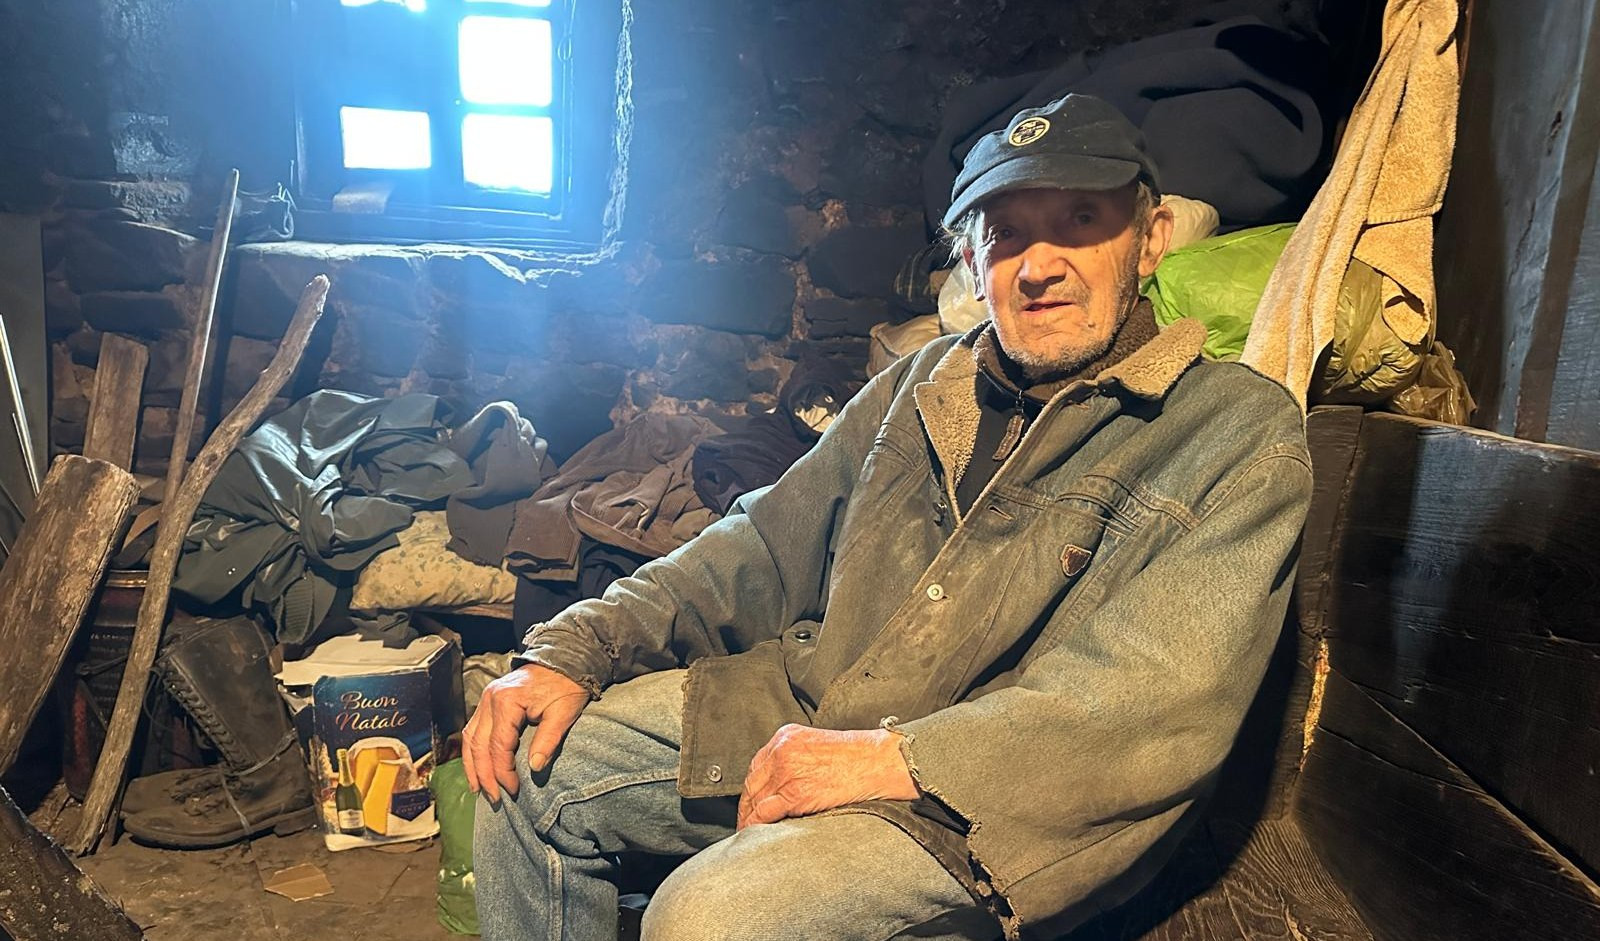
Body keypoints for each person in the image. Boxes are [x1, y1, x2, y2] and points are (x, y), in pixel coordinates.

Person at [467, 93, 1313, 941]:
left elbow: (1148, 704)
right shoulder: (921, 386)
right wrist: (579, 645)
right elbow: (758, 544)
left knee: (707, 916)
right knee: (520, 771)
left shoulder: (1235, 432)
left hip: (992, 807)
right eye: (1006, 231)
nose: (1038, 265)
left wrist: (895, 759)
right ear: (974, 260)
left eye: (1081, 220)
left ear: (1151, 235)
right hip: (821, 707)